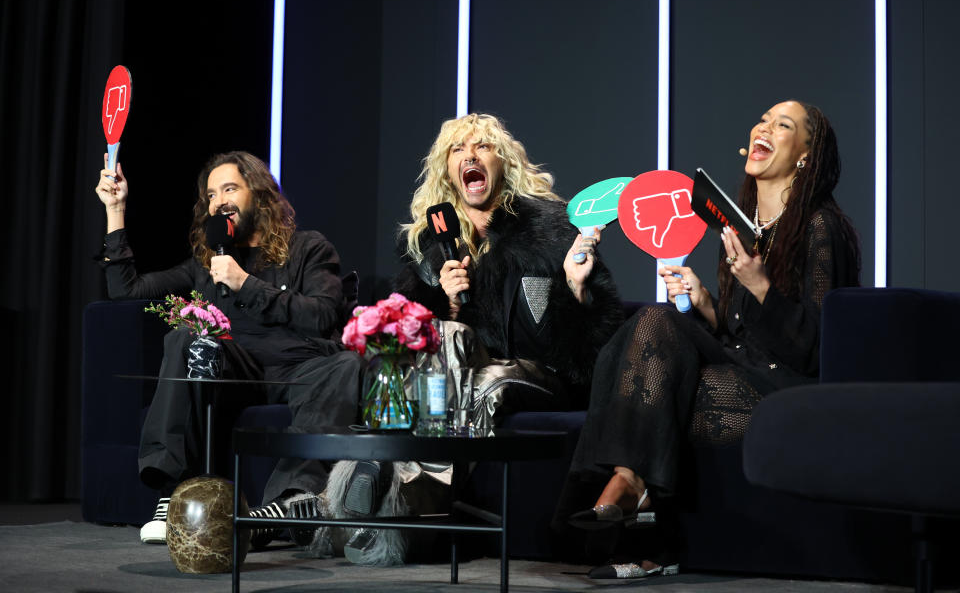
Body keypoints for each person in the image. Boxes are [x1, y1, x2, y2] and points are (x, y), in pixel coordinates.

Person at [555, 100, 861, 579]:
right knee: (657, 320)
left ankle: (637, 515)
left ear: (806, 154)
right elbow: (738, 336)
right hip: (742, 368)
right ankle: (630, 483)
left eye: (783, 125)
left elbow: (817, 347)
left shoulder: (822, 226)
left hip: (794, 387)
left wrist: (759, 285)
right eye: (761, 119)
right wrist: (707, 306)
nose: (764, 127)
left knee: (660, 396)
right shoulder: (737, 226)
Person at [94, 150, 362, 545]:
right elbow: (126, 290)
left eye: (230, 188)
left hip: (300, 369)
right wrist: (115, 210)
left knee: (347, 365)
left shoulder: (308, 247)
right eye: (211, 194)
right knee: (186, 335)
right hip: (235, 370)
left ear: (258, 193)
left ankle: (286, 506)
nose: (219, 200)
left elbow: (323, 315)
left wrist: (246, 284)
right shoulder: (206, 264)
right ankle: (176, 492)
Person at [395, 112, 624, 425]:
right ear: (447, 171)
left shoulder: (550, 232)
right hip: (462, 368)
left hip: (545, 374)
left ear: (502, 164)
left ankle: (413, 474)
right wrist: (445, 303)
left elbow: (600, 345)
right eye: (457, 149)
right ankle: (375, 470)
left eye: (484, 147)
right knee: (423, 374)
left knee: (488, 382)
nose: (470, 155)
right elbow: (404, 340)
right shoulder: (428, 249)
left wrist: (576, 287)